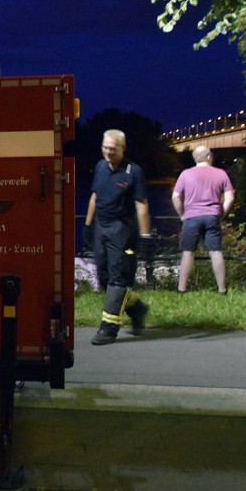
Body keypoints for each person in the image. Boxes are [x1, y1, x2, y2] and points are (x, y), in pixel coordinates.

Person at [83, 129, 152, 345]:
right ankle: (138, 309)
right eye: (105, 147)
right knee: (104, 278)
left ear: (123, 148)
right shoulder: (101, 167)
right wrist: (87, 225)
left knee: (118, 279)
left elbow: (141, 205)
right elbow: (94, 197)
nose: (108, 153)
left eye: (112, 149)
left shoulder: (134, 172)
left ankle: (108, 329)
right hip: (100, 228)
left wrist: (145, 236)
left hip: (122, 231)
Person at [171, 146, 235, 294]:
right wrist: (221, 213)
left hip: (191, 217)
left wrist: (182, 214)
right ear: (208, 157)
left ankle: (181, 289)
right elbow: (230, 198)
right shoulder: (221, 173)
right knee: (215, 251)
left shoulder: (186, 174)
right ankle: (222, 289)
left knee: (188, 252)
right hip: (212, 216)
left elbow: (175, 197)